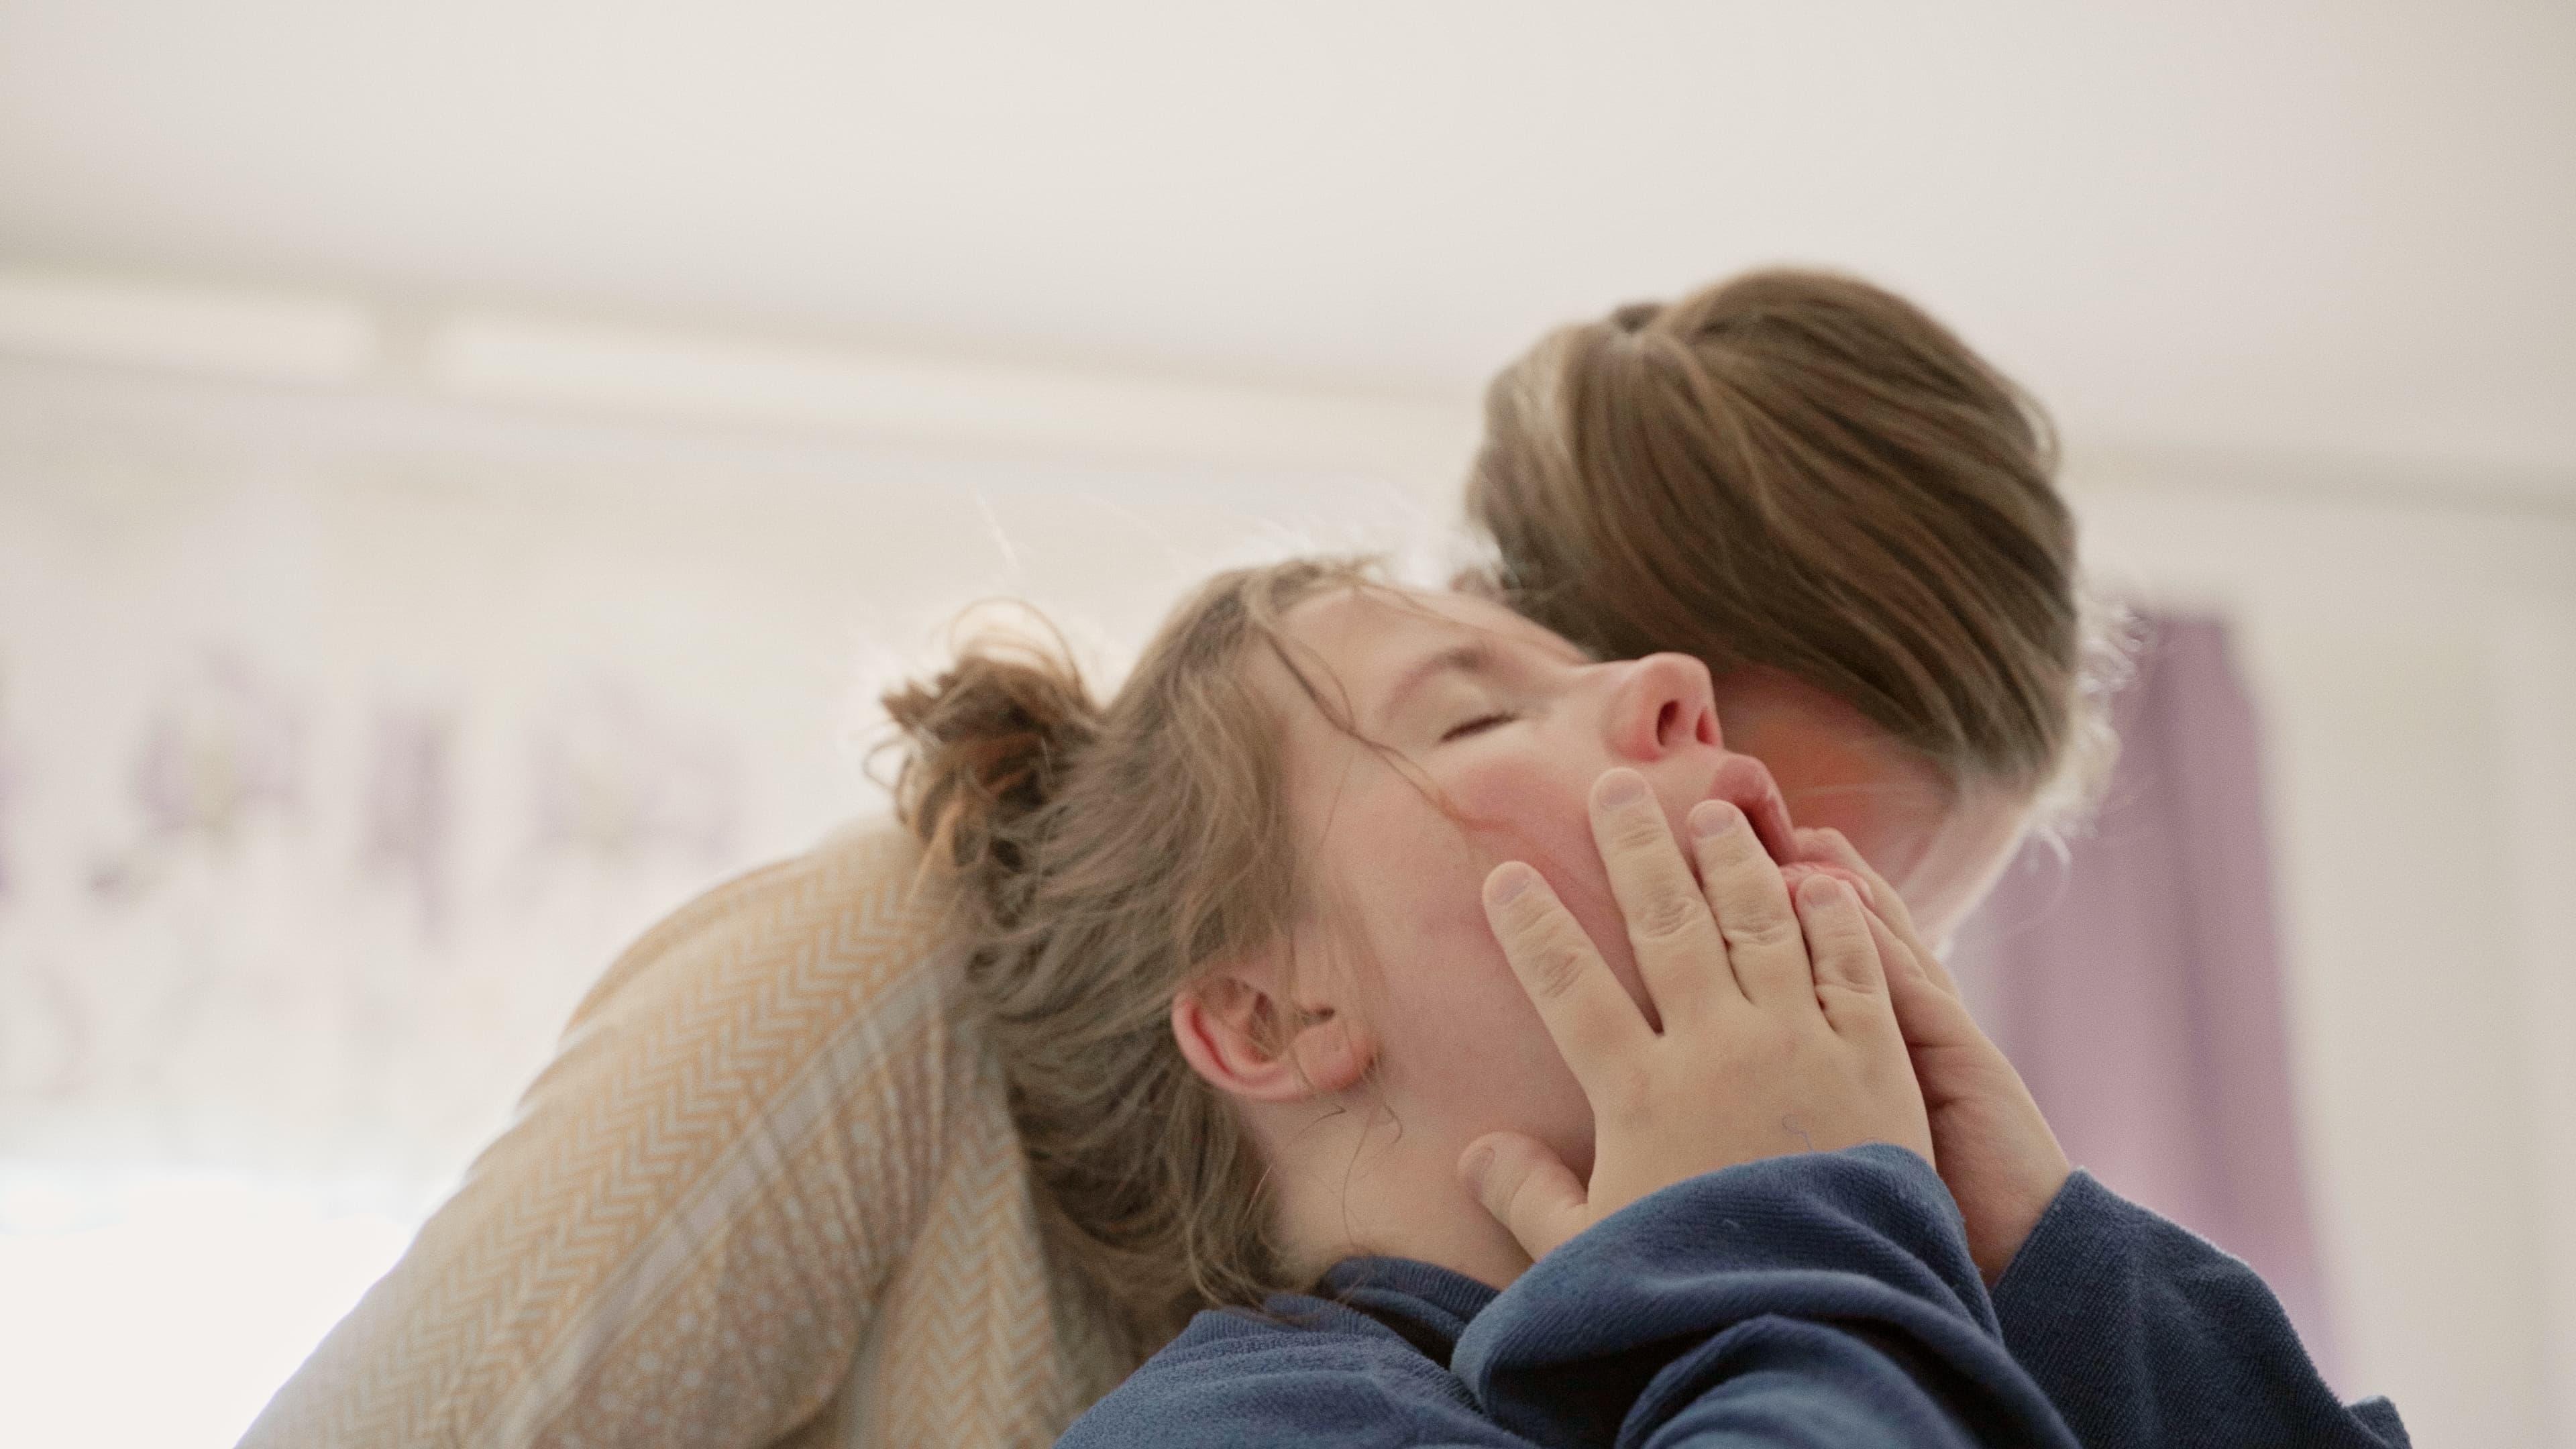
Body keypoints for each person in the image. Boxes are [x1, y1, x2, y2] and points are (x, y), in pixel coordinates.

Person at [236, 270, 2387, 1447]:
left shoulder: (1838, 1289)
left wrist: (2051, 1274)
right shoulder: (889, 987)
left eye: (1868, 929)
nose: (1794, 976)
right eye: (1733, 851)